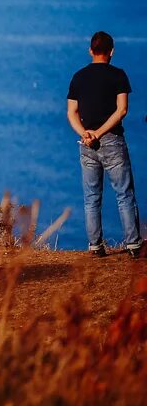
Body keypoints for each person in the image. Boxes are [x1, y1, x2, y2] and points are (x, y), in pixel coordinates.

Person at [67, 31, 142, 258]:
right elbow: (122, 110)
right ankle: (133, 245)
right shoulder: (118, 75)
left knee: (91, 197)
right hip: (112, 141)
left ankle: (95, 246)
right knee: (124, 195)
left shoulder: (78, 77)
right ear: (112, 52)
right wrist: (99, 133)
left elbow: (71, 112)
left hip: (86, 142)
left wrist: (86, 134)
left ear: (91, 50)